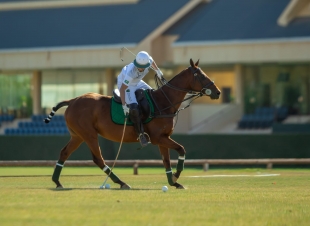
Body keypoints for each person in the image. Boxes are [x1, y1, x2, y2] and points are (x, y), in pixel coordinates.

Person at [117, 51, 163, 147]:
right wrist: (124, 105)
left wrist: (157, 70)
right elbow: (122, 89)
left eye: (142, 66)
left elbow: (152, 60)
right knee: (134, 109)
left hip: (137, 82)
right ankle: (141, 134)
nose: (140, 68)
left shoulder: (147, 61)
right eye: (138, 66)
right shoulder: (130, 72)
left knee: (153, 95)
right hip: (127, 85)